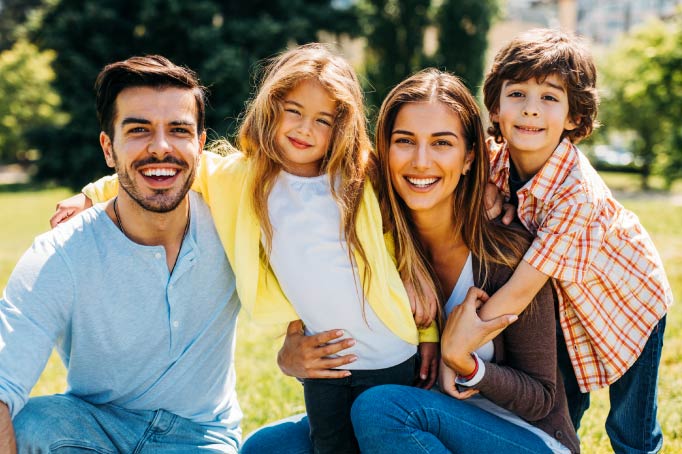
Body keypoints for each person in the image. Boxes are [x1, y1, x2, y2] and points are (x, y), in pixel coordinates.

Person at [56, 43, 439, 454]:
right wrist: (88, 196)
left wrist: (428, 333)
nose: (304, 128)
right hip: (322, 364)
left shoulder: (360, 177)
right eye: (293, 111)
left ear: (341, 125)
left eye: (322, 119)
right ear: (271, 106)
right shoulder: (240, 177)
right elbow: (161, 171)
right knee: (331, 446)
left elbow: (404, 250)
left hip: (393, 354)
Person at [0, 55, 242, 452]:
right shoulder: (60, 253)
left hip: (200, 437)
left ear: (200, 145)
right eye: (139, 130)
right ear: (109, 149)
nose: (160, 147)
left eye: (178, 130)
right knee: (30, 425)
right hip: (88, 428)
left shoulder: (233, 224)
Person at [349, 68, 579, 453]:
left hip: (527, 438)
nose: (421, 162)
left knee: (381, 410)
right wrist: (296, 349)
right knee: (271, 447)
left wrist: (466, 362)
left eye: (442, 143)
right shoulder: (377, 246)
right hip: (426, 426)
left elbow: (541, 397)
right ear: (384, 150)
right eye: (405, 141)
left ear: (470, 157)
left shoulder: (507, 255)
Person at [475, 29, 672, 453]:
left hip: (628, 306)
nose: (530, 111)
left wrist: (462, 340)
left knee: (631, 430)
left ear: (573, 116)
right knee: (560, 416)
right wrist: (489, 193)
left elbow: (516, 295)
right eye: (517, 94)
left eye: (549, 97)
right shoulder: (493, 160)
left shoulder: (576, 194)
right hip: (565, 311)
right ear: (495, 104)